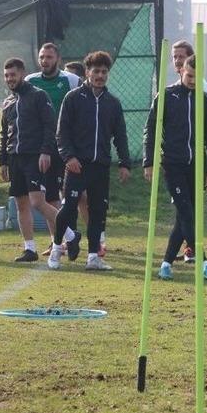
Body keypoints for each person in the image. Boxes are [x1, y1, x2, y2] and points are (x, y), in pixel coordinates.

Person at [48, 51, 130, 270]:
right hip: (77, 165)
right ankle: (57, 248)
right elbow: (62, 132)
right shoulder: (73, 98)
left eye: (104, 72)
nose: (100, 76)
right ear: (87, 72)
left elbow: (120, 135)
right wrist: (69, 157)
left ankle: (93, 256)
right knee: (68, 208)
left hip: (100, 167)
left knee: (98, 212)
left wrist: (124, 163)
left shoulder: (112, 103)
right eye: (96, 71)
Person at [143, 54, 207, 281]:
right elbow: (150, 131)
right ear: (180, 71)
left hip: (196, 165)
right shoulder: (166, 96)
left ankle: (166, 264)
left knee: (184, 217)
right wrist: (149, 161)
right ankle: (204, 262)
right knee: (187, 212)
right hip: (173, 164)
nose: (193, 81)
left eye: (197, 77)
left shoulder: (205, 101)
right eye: (189, 75)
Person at [0, 57, 78, 262]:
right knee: (21, 204)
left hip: (34, 156)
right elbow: (5, 134)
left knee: (37, 202)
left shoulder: (38, 96)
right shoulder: (8, 102)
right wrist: (3, 161)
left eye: (13, 75)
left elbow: (50, 126)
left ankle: (70, 234)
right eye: (6, 76)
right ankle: (30, 249)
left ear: (22, 74)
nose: (10, 79)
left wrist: (45, 152)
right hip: (15, 158)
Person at [25, 43, 90, 255]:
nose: (45, 61)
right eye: (42, 57)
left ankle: (96, 240)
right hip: (44, 147)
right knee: (51, 197)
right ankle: (59, 241)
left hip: (68, 147)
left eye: (49, 57)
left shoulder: (70, 81)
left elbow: (83, 107)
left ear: (58, 59)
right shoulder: (30, 81)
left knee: (80, 195)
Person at [170, 40, 207, 263]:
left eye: (180, 56)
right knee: (183, 208)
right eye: (174, 57)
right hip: (176, 159)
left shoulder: (200, 86)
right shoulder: (177, 87)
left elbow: (205, 124)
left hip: (193, 158)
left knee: (186, 208)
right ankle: (188, 249)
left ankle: (192, 250)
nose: (176, 61)